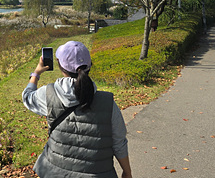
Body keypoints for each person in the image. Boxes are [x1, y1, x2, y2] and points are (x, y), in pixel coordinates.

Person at [22, 41, 133, 178]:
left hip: (55, 172)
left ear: (60, 67)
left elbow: (27, 97)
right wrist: (127, 172)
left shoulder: (48, 95)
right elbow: (119, 142)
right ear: (90, 65)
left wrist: (37, 73)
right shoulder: (108, 103)